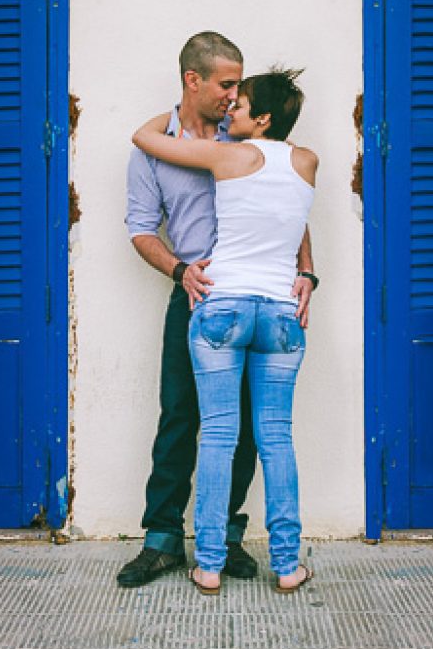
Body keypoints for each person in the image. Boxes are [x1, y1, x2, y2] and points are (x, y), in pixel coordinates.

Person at [118, 33, 317, 589]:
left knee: (242, 431)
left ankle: (223, 543)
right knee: (180, 417)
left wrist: (306, 271)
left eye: (239, 89)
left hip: (245, 301)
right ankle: (162, 540)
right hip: (195, 294)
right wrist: (180, 270)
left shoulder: (244, 142)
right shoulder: (158, 151)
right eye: (227, 84)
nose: (233, 96)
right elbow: (141, 229)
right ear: (193, 80)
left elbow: (291, 215)